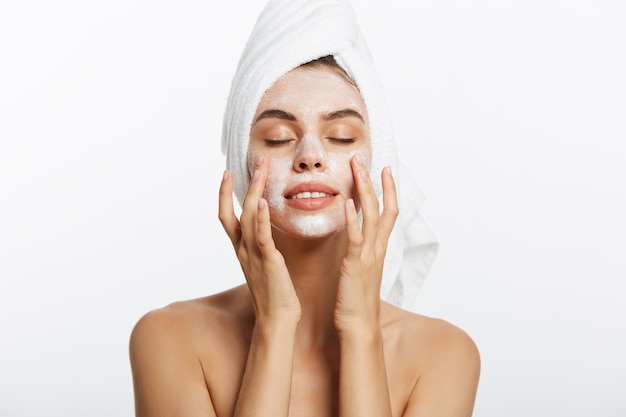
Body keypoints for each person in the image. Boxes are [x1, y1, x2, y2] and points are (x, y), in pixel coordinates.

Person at [129, 1, 480, 416]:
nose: (310, 155)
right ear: (241, 168)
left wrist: (360, 331)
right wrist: (274, 327)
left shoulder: (442, 355)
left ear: (378, 159)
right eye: (277, 137)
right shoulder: (170, 339)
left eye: (342, 136)